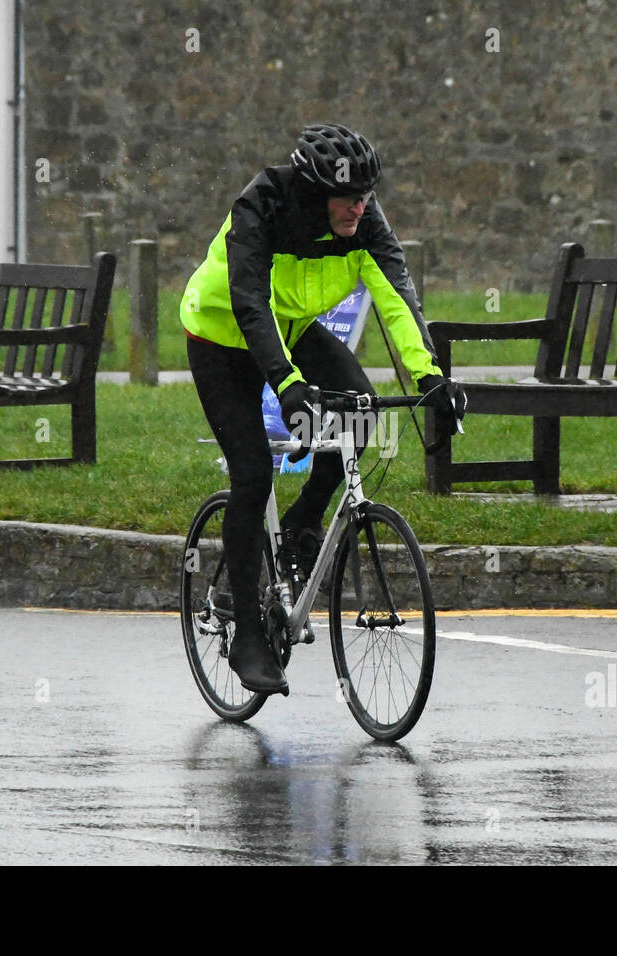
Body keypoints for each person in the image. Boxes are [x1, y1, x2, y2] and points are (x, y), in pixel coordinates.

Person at [181, 123, 465, 696]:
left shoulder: (365, 222)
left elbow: (396, 298)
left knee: (360, 410)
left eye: (366, 195)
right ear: (312, 190)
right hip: (220, 333)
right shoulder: (260, 204)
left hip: (293, 326)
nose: (359, 207)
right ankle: (246, 637)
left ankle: (304, 522)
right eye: (347, 197)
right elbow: (249, 304)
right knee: (254, 471)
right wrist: (286, 384)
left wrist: (432, 376)